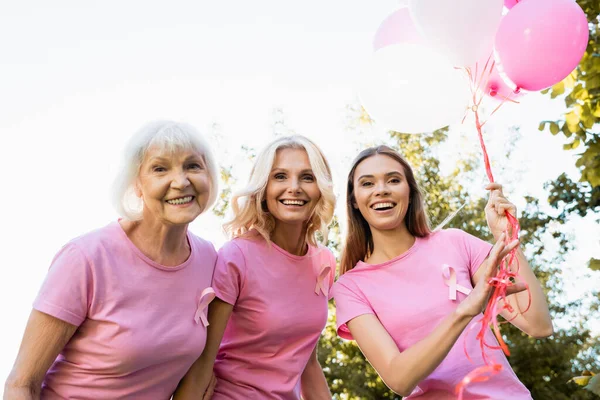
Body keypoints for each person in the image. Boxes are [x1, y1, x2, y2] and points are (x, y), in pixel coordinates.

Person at [4, 121, 220, 399]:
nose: (180, 181)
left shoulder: (208, 260)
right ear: (137, 185)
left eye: (193, 166)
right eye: (160, 169)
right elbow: (21, 383)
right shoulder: (86, 258)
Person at [331, 145, 553, 399]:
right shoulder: (351, 286)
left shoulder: (455, 242)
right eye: (367, 183)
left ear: (410, 192)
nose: (381, 189)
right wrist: (465, 310)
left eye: (393, 180)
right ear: (354, 201)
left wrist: (507, 235)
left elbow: (538, 325)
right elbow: (398, 378)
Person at [175, 135, 335, 399]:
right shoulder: (237, 256)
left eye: (307, 177)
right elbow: (203, 362)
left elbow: (308, 363)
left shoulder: (323, 261)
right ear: (263, 187)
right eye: (280, 176)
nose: (294, 187)